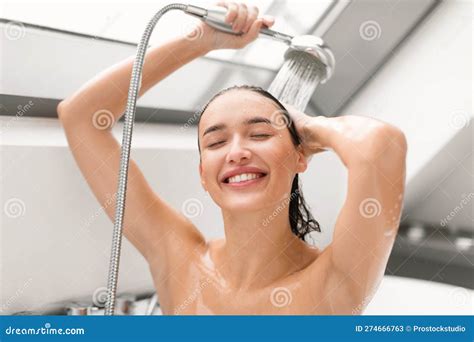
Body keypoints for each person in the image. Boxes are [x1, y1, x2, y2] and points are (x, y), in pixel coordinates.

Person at [57, 2, 407, 314]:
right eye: (216, 142)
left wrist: (308, 128)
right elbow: (81, 117)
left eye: (260, 134)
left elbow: (382, 145)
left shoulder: (332, 285)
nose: (237, 152)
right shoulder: (180, 261)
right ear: (203, 174)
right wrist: (201, 41)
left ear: (301, 156)